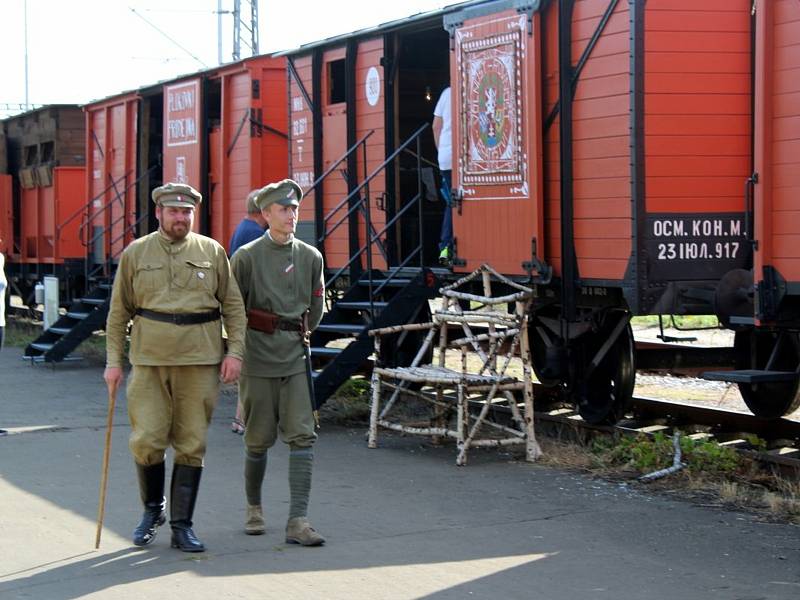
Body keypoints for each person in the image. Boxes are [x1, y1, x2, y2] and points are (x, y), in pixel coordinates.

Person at [104, 182, 247, 553]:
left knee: (192, 442)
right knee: (147, 439)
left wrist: (235, 352)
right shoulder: (137, 253)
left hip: (199, 360)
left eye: (186, 212)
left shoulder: (211, 251)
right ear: (159, 213)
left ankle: (183, 526)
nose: (180, 218)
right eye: (173, 211)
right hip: (149, 360)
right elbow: (118, 312)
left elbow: (233, 306)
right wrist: (112, 363)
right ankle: (153, 511)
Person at [230, 178, 326, 546]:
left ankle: (298, 520)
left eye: (295, 209)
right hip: (258, 356)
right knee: (258, 440)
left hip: (295, 355)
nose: (291, 215)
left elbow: (315, 308)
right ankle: (254, 508)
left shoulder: (310, 256)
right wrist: (236, 354)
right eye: (284, 210)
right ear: (266, 213)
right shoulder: (247, 257)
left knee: (303, 436)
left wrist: (296, 332)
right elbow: (234, 310)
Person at [228, 189, 267, 436]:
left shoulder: (243, 228)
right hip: (253, 309)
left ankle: (241, 418)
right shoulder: (256, 234)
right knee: (255, 367)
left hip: (243, 307)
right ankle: (244, 419)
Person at [432, 85, 453, 266]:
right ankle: (447, 247)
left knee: (451, 203)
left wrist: (442, 150)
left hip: (447, 159)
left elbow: (436, 126)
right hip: (466, 157)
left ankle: (445, 249)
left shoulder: (446, 93)